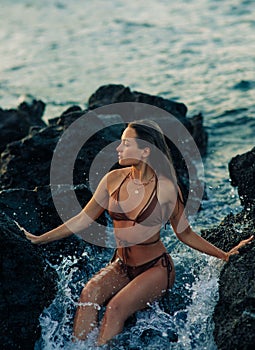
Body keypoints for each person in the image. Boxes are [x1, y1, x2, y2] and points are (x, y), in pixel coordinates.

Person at [24, 119, 253, 346]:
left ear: (145, 151)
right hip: (121, 265)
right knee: (89, 294)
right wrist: (39, 239)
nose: (118, 148)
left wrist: (225, 255)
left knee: (115, 309)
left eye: (126, 143)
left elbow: (185, 234)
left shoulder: (165, 189)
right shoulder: (113, 179)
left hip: (155, 268)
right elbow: (83, 219)